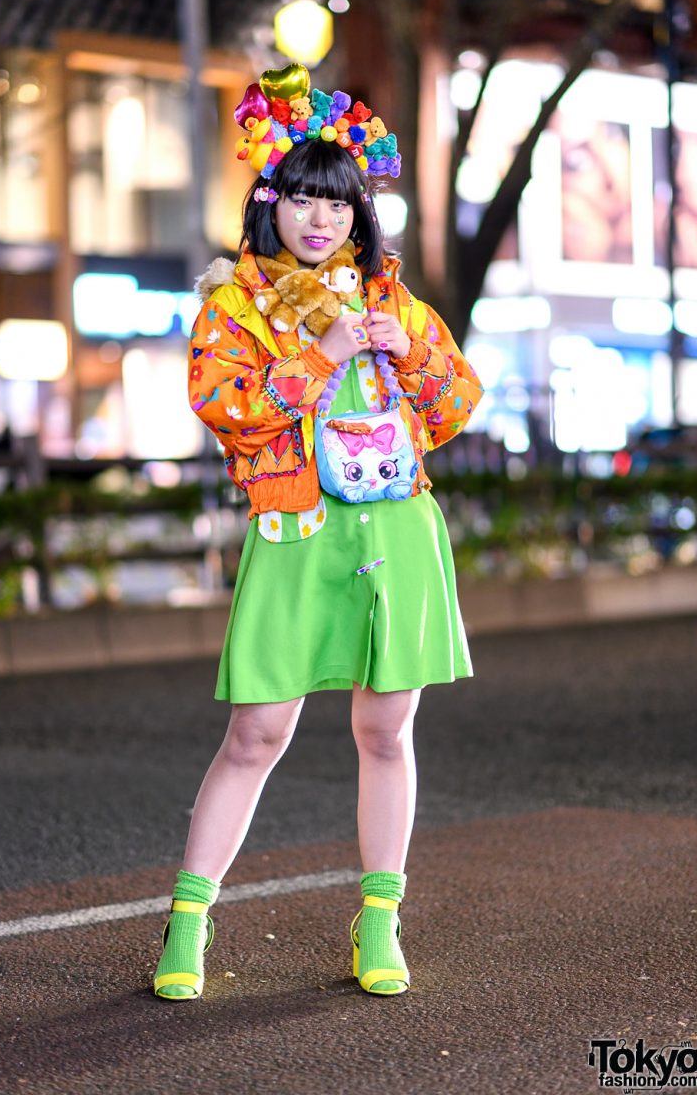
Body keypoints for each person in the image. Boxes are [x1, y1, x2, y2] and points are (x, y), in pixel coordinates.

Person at [152, 64, 484, 1001]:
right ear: (270, 205)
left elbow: (459, 405)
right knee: (257, 732)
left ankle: (379, 918)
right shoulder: (232, 307)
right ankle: (187, 923)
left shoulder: (393, 302)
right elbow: (228, 410)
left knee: (387, 728)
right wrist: (321, 353)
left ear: (358, 213)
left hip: (396, 528)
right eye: (299, 197)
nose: (318, 218)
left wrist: (404, 347)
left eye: (336, 202)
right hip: (297, 530)